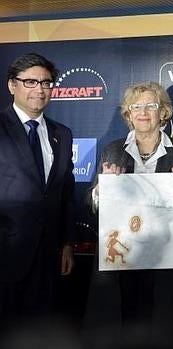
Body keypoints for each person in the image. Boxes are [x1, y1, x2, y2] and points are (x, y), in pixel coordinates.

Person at [88, 82, 173, 348]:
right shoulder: (112, 150)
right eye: (136, 106)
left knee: (164, 325)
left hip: (167, 257)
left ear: (163, 112)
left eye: (151, 105)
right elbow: (91, 202)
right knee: (127, 322)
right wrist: (104, 188)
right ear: (128, 114)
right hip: (126, 258)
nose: (143, 112)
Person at [0, 53, 75, 330]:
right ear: (12, 85)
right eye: (30, 82)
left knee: (42, 330)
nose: (39, 90)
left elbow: (66, 192)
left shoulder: (62, 134)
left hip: (49, 256)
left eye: (46, 83)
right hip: (6, 253)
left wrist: (67, 243)